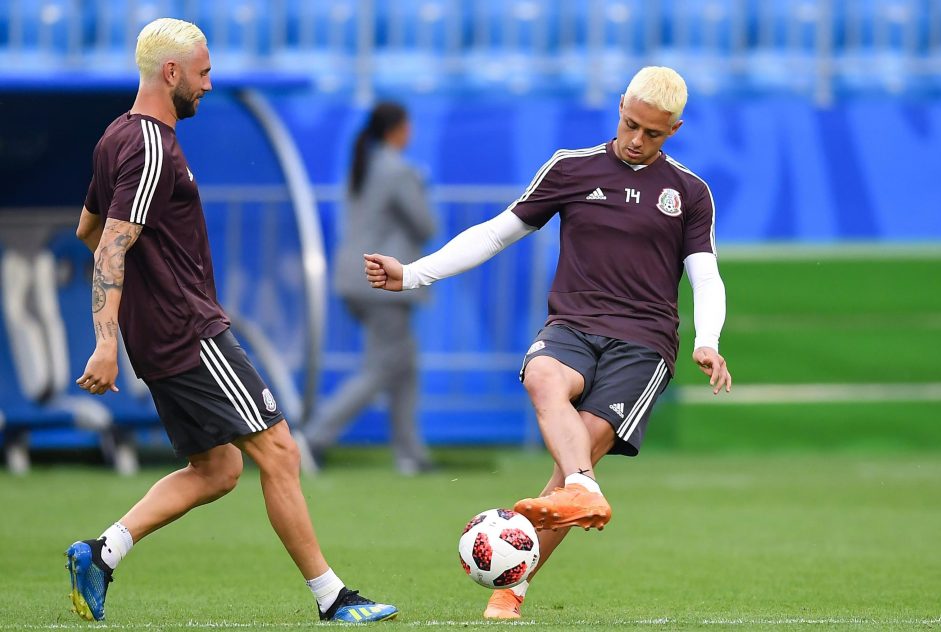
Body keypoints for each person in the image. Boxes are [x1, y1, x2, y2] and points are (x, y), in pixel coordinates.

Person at [363, 66, 732, 620]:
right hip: (573, 325)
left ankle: (513, 586)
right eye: (630, 124)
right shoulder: (570, 168)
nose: (636, 140)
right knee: (543, 379)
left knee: (566, 468)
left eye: (652, 133)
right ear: (620, 107)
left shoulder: (689, 192)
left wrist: (708, 339)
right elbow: (494, 232)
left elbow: (705, 275)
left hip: (643, 344)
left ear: (674, 130)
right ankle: (584, 487)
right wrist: (413, 274)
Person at [66, 18, 396, 624]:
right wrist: (104, 342)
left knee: (218, 468)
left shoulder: (116, 136)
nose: (210, 85)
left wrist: (137, 302)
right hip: (189, 332)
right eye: (204, 72)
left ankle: (101, 553)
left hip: (159, 334)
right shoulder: (151, 149)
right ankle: (333, 597)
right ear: (173, 73)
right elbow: (110, 247)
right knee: (279, 448)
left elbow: (89, 231)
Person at [303, 102, 436, 475]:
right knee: (381, 368)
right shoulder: (399, 170)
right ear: (397, 129)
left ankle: (410, 454)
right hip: (384, 282)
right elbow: (426, 225)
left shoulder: (362, 166)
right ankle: (314, 437)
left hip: (357, 278)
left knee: (403, 367)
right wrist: (422, 188)